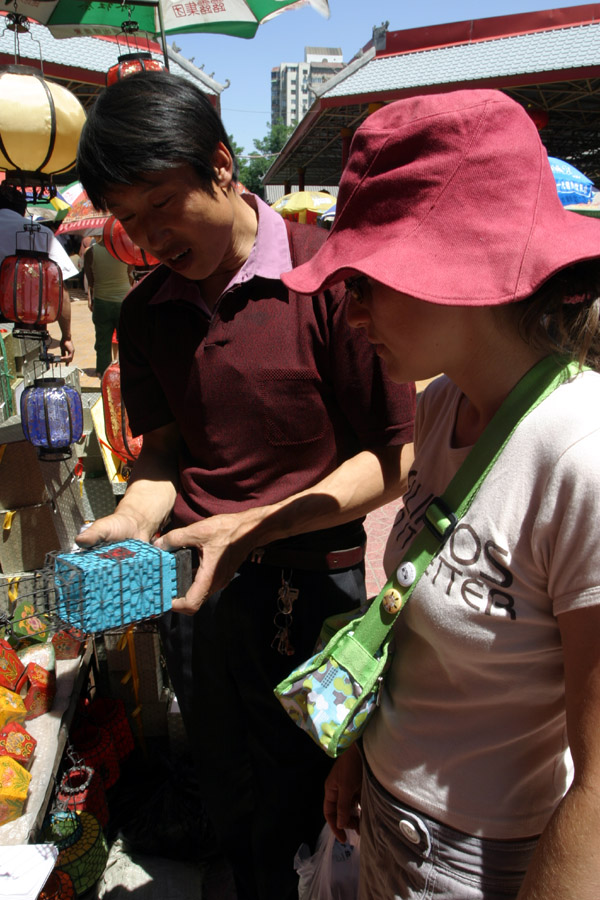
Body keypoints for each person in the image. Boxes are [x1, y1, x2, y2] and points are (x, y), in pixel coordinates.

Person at [74, 71, 416, 900]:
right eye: (128, 219)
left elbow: (394, 458)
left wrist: (253, 527)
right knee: (222, 766)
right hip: (197, 585)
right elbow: (163, 457)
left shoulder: (327, 276)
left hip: (314, 590)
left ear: (221, 166)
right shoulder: (150, 311)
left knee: (312, 785)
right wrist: (129, 515)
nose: (149, 237)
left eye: (161, 205)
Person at [281, 89, 600, 900]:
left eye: (364, 284)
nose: (350, 314)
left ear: (458, 269)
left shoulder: (580, 457)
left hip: (479, 861)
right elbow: (415, 604)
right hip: (387, 813)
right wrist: (360, 751)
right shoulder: (441, 403)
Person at [0, 183, 76, 363]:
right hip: (30, 328)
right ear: (24, 210)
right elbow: (60, 291)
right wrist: (66, 336)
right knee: (27, 379)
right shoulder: (41, 233)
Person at [83, 234, 133, 375]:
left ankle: (103, 372)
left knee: (102, 340)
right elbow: (130, 271)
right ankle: (127, 370)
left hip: (101, 301)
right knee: (127, 340)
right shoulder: (124, 250)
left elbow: (91, 281)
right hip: (124, 300)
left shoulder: (90, 252)